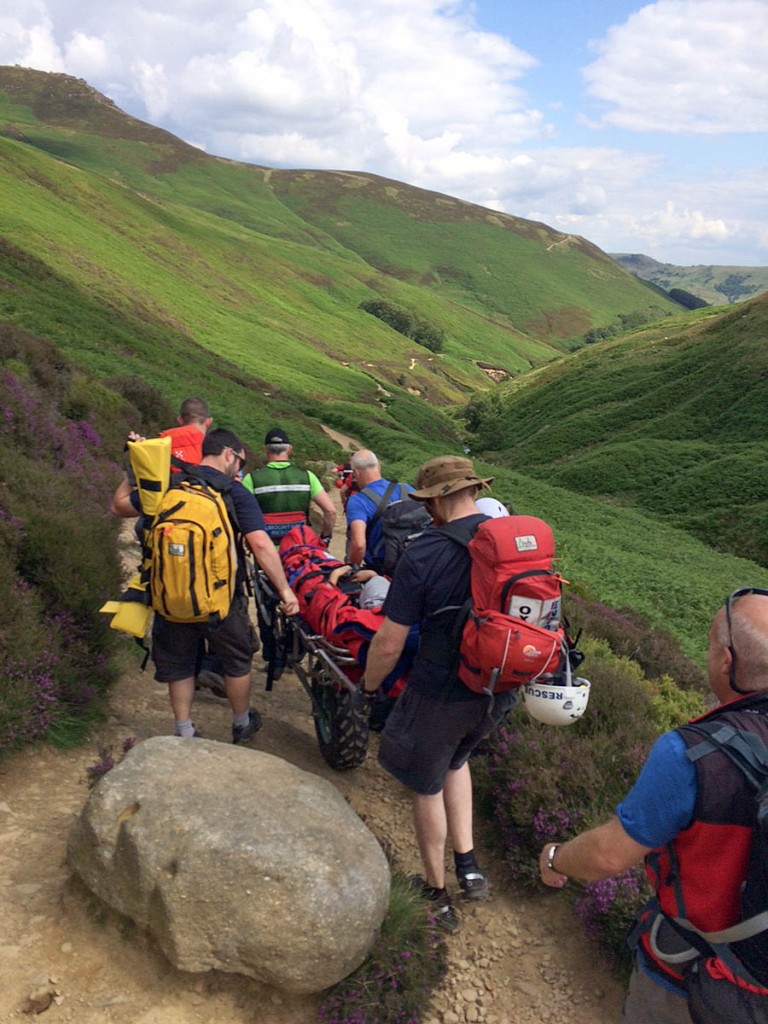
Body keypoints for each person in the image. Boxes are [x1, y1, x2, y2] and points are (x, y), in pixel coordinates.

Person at [538, 589, 768, 1024]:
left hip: (692, 972)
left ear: (725, 661)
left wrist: (556, 858)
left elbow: (608, 854)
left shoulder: (693, 755)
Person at [360, 455, 517, 931]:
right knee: (456, 760)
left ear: (438, 500)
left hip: (443, 690)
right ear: (472, 490)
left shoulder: (424, 552)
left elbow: (389, 641)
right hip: (500, 688)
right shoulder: (510, 544)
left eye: (429, 502)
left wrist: (368, 689)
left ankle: (435, 890)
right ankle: (468, 866)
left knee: (424, 783)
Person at [110, 428, 299, 741]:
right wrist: (285, 591)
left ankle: (183, 729)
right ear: (229, 454)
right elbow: (262, 546)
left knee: (180, 663)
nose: (239, 469)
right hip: (221, 599)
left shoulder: (167, 484)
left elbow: (118, 506)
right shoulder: (235, 493)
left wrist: (136, 467)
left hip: (170, 596)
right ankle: (241, 723)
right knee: (237, 661)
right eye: (240, 462)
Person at [243, 427, 336, 545]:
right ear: (289, 449)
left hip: (268, 549)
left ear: (265, 449)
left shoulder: (251, 479)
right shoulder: (307, 477)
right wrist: (325, 537)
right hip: (299, 548)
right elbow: (331, 511)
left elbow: (243, 516)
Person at [345, 449, 414, 569]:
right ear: (379, 467)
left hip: (382, 569)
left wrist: (354, 568)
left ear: (356, 473)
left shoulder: (358, 501)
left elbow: (359, 544)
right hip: (415, 563)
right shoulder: (407, 489)